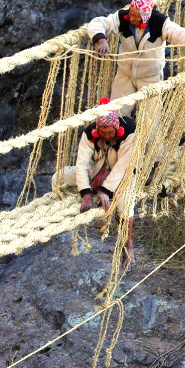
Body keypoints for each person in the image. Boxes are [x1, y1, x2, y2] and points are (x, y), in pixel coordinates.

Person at [87, 0, 185, 117]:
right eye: (130, 13)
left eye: (135, 16)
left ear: (145, 17)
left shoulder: (159, 23)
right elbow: (99, 22)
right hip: (125, 75)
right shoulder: (123, 18)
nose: (130, 18)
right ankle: (123, 136)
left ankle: (148, 137)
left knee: (150, 119)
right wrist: (101, 39)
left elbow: (179, 34)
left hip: (150, 78)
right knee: (116, 114)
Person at [55, 98, 138, 267]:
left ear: (117, 128)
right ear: (97, 128)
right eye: (103, 132)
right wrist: (85, 193)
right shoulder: (89, 133)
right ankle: (69, 205)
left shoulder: (129, 132)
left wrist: (105, 190)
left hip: (122, 175)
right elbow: (82, 164)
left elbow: (123, 167)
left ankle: (127, 243)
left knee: (125, 203)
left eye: (110, 132)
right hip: (97, 171)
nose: (106, 135)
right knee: (57, 178)